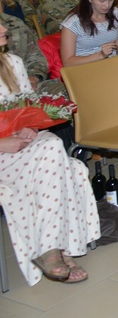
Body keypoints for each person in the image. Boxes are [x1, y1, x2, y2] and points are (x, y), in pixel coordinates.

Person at [0, 24, 100, 286]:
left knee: (58, 151)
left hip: (23, 144)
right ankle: (58, 250)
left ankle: (51, 249)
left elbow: (27, 106)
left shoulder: (12, 62)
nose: (4, 28)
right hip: (3, 150)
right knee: (66, 161)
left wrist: (31, 127)